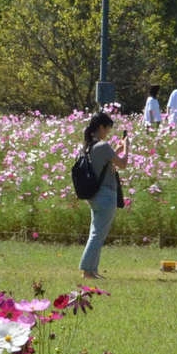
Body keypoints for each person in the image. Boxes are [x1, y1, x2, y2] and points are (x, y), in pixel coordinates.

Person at [78, 111, 130, 280]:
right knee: (97, 235)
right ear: (101, 127)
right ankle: (87, 270)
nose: (108, 133)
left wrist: (117, 149)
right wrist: (126, 148)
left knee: (96, 232)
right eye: (107, 129)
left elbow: (105, 163)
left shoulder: (88, 146)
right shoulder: (103, 146)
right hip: (106, 195)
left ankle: (92, 270)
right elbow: (122, 164)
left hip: (94, 196)